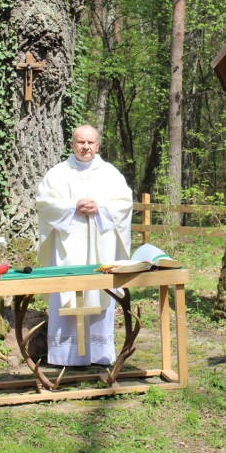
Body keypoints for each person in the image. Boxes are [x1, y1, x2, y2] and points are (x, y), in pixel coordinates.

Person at [36, 125, 134, 365]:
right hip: (69, 249)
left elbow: (124, 203)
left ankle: (100, 355)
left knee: (100, 293)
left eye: (90, 143)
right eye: (81, 142)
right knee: (66, 291)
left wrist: (100, 207)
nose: (86, 147)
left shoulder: (110, 173)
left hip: (102, 248)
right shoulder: (58, 173)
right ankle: (65, 356)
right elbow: (44, 203)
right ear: (72, 145)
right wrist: (72, 207)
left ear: (97, 145)